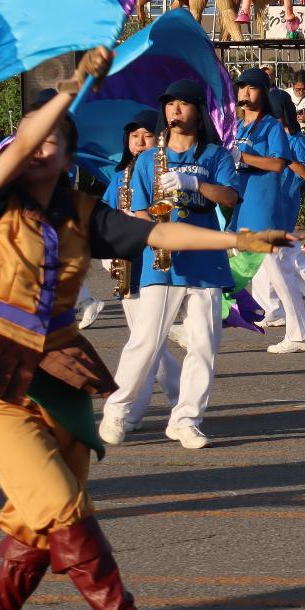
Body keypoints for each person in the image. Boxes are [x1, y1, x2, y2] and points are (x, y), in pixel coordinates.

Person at [0, 52, 288, 610]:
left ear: (68, 156)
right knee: (64, 508)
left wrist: (237, 239)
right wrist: (72, 86)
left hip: (60, 380)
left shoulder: (80, 212)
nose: (31, 146)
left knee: (37, 517)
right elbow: (14, 154)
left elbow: (156, 236)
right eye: (26, 137)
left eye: (48, 139)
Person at [101, 79, 238, 451]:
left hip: (206, 260)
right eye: (170, 104)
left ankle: (186, 419)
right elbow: (142, 210)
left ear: (198, 111)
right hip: (161, 261)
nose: (175, 110)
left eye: (183, 104)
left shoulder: (216, 155)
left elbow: (228, 197)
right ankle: (116, 409)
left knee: (204, 346)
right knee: (145, 341)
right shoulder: (147, 160)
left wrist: (194, 184)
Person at [97, 110, 182, 409]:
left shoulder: (166, 171)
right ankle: (179, 393)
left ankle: (133, 405)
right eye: (135, 137)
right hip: (127, 260)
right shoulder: (118, 176)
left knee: (145, 340)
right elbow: (105, 213)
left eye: (147, 136)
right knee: (143, 338)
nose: (140, 142)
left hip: (155, 257)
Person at [227, 68, 305, 356]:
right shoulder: (237, 127)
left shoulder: (271, 127)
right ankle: (295, 329)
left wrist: (243, 157)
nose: (245, 94)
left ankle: (298, 332)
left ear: (263, 93)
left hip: (262, 205)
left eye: (251, 88)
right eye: (242, 88)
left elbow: (278, 164)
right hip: (241, 203)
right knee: (267, 269)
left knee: (276, 269)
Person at [248, 90, 305, 349]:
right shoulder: (267, 134)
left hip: (284, 204)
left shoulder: (293, 138)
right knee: (275, 264)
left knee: (284, 263)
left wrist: (284, 159)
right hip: (267, 204)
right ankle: (280, 313)